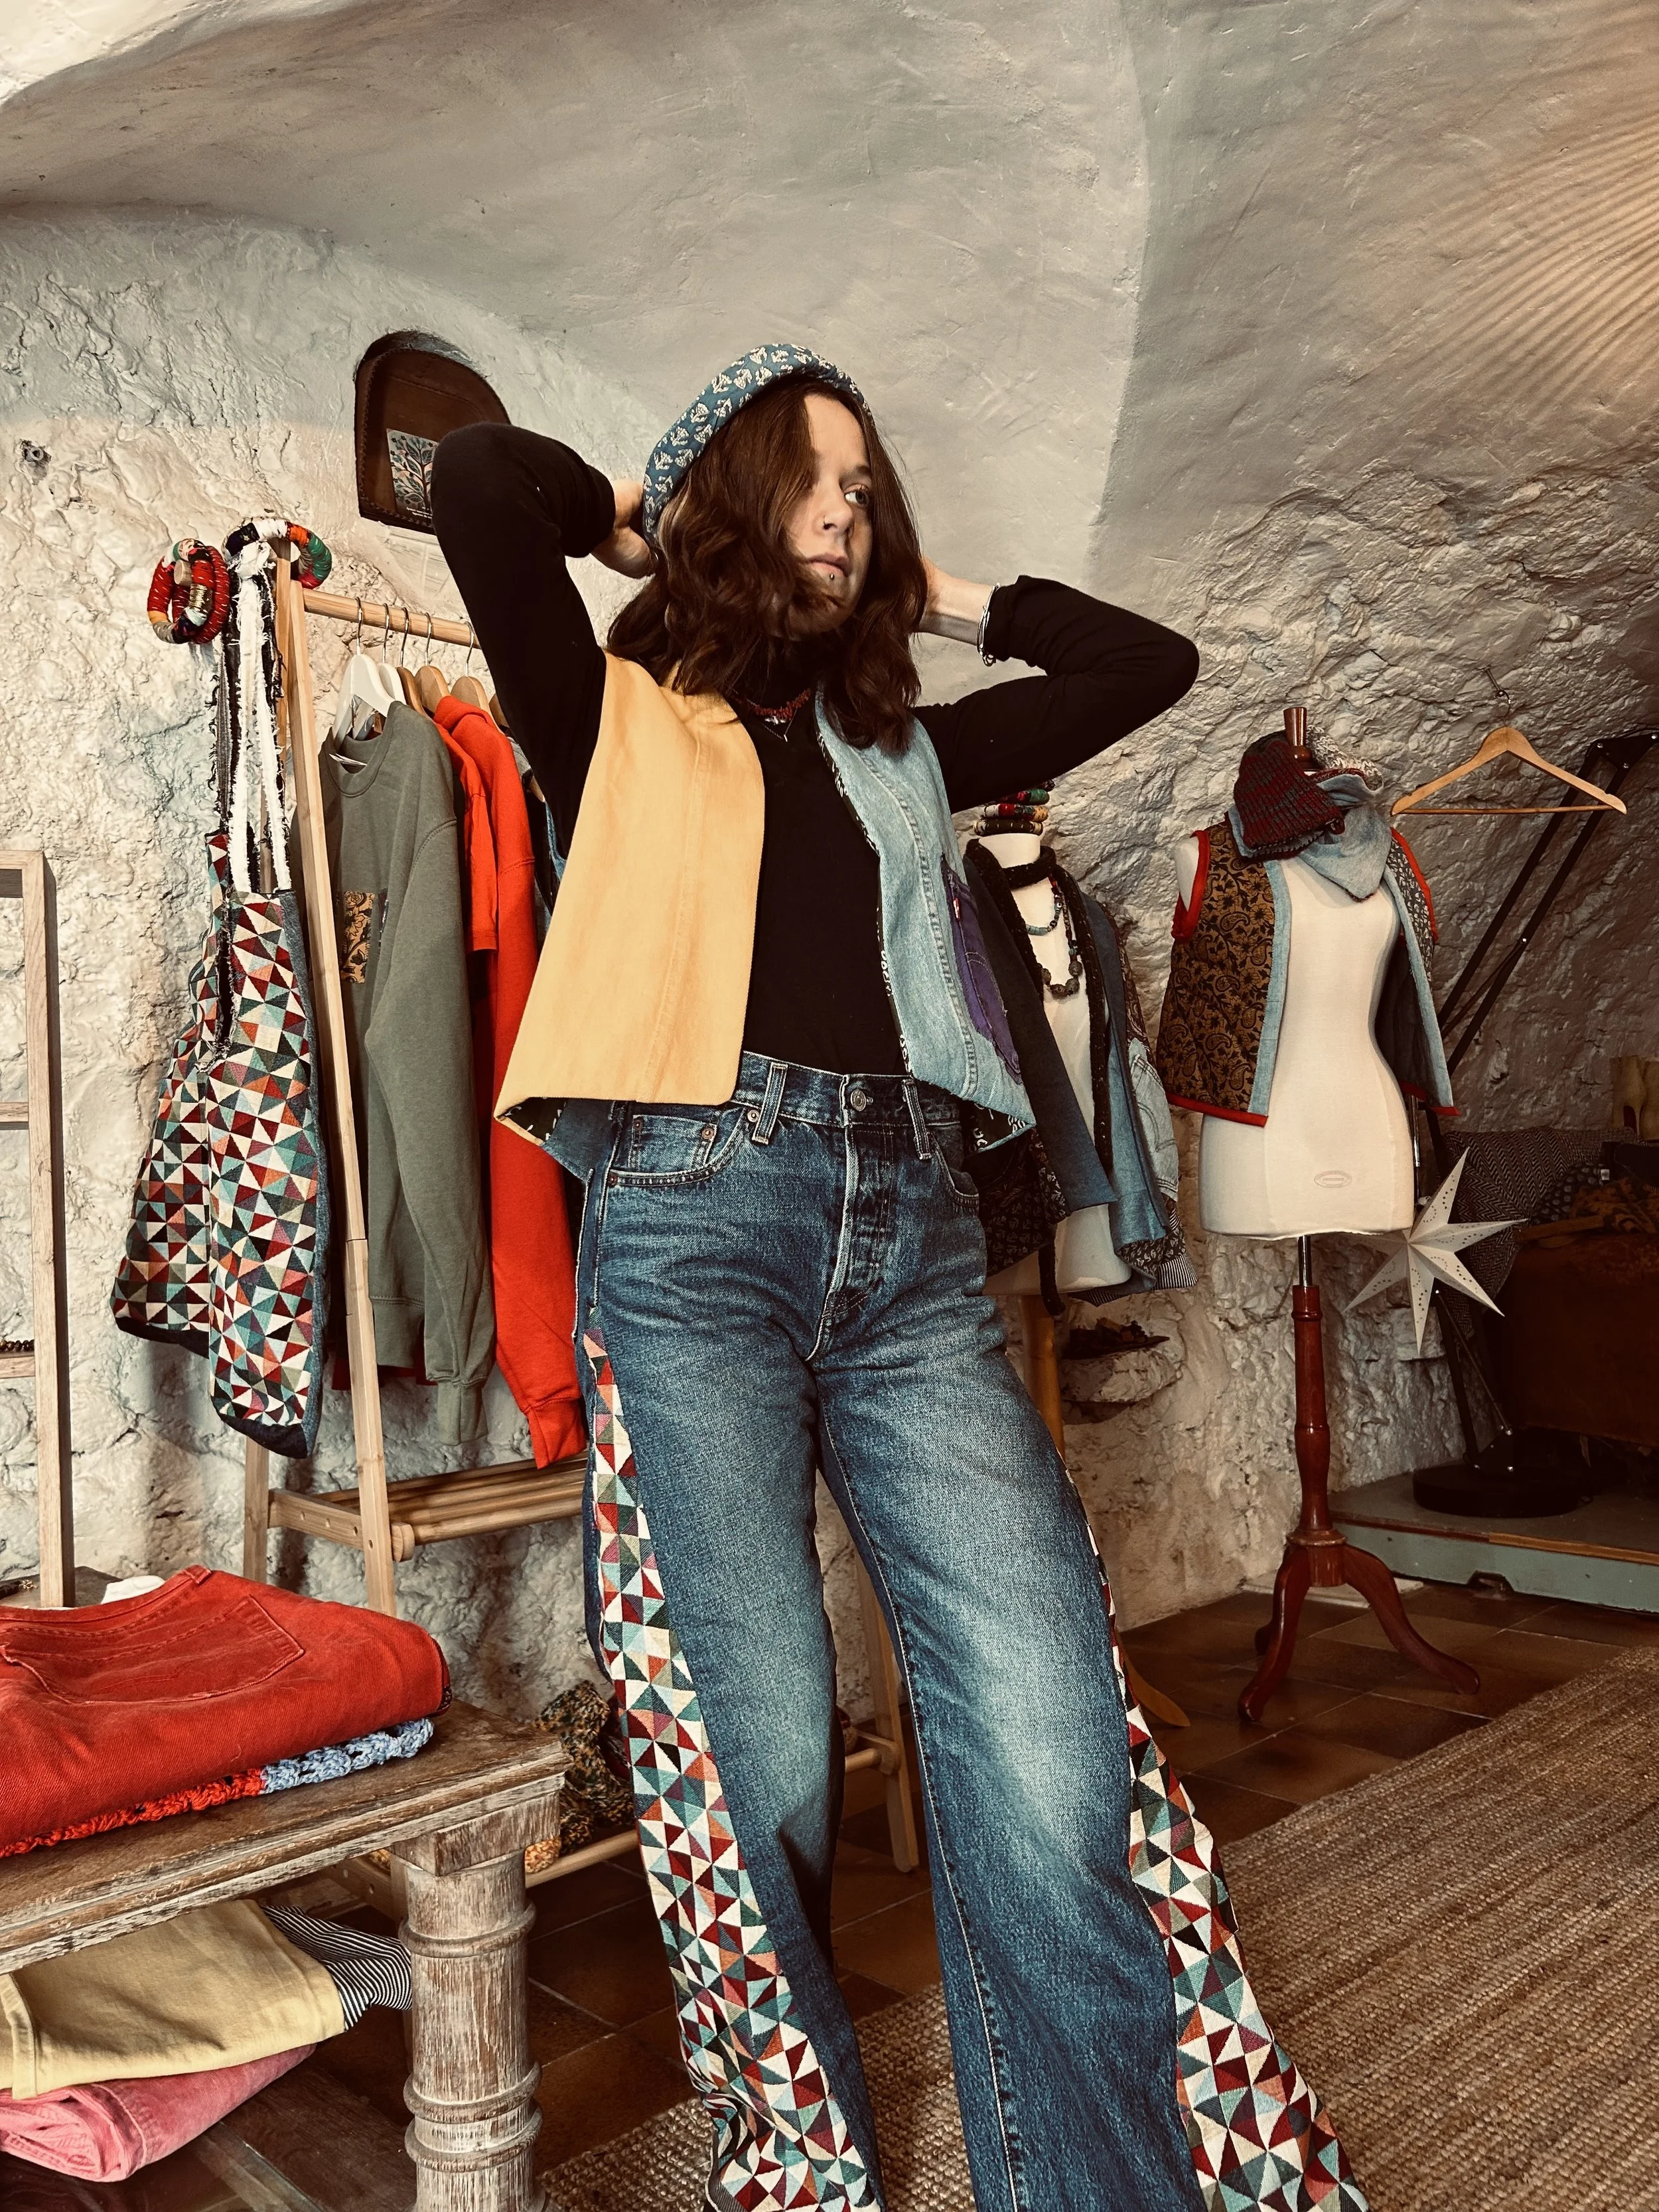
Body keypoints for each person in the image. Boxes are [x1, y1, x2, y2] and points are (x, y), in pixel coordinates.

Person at [432, 345, 1364, 2212]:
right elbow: (476, 479)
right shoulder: (606, 717)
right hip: (693, 1233)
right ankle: (805, 2171)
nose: (850, 507)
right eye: (814, 476)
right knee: (754, 1741)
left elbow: (1140, 664)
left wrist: (925, 586)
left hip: (916, 1235)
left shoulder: (906, 748)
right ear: (728, 505)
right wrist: (656, 525)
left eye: (871, 483)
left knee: (1042, 1718)